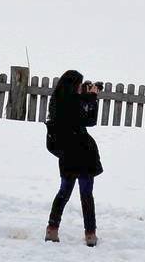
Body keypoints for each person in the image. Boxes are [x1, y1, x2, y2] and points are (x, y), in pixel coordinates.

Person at [44, 69, 103, 247]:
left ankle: (52, 229)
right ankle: (90, 234)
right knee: (86, 195)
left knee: (63, 193)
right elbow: (89, 120)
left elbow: (74, 110)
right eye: (79, 85)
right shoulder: (75, 102)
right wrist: (92, 96)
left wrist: (86, 96)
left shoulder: (56, 101)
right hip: (83, 154)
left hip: (67, 155)